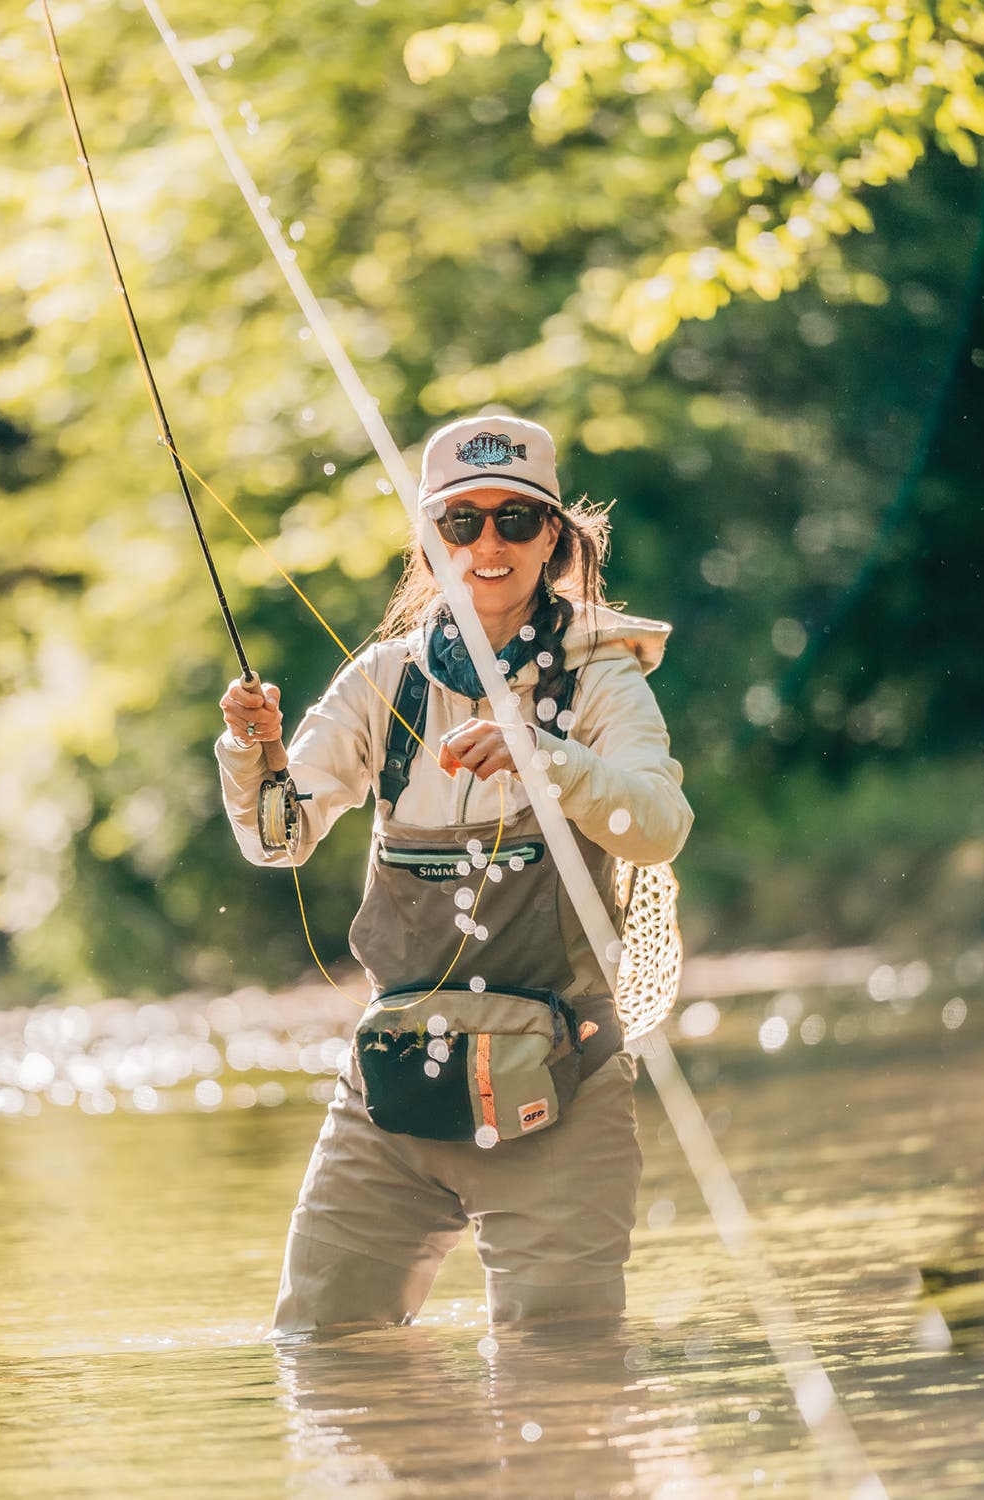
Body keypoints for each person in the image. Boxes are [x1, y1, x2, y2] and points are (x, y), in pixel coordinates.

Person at [217, 413, 692, 1336]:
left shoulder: (603, 678)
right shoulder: (382, 681)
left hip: (567, 1092)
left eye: (515, 521)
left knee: (566, 1380)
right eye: (461, 522)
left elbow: (659, 827)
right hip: (393, 1099)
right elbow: (278, 838)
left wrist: (539, 754)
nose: (488, 544)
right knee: (322, 1354)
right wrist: (252, 748)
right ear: (429, 541)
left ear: (552, 538)